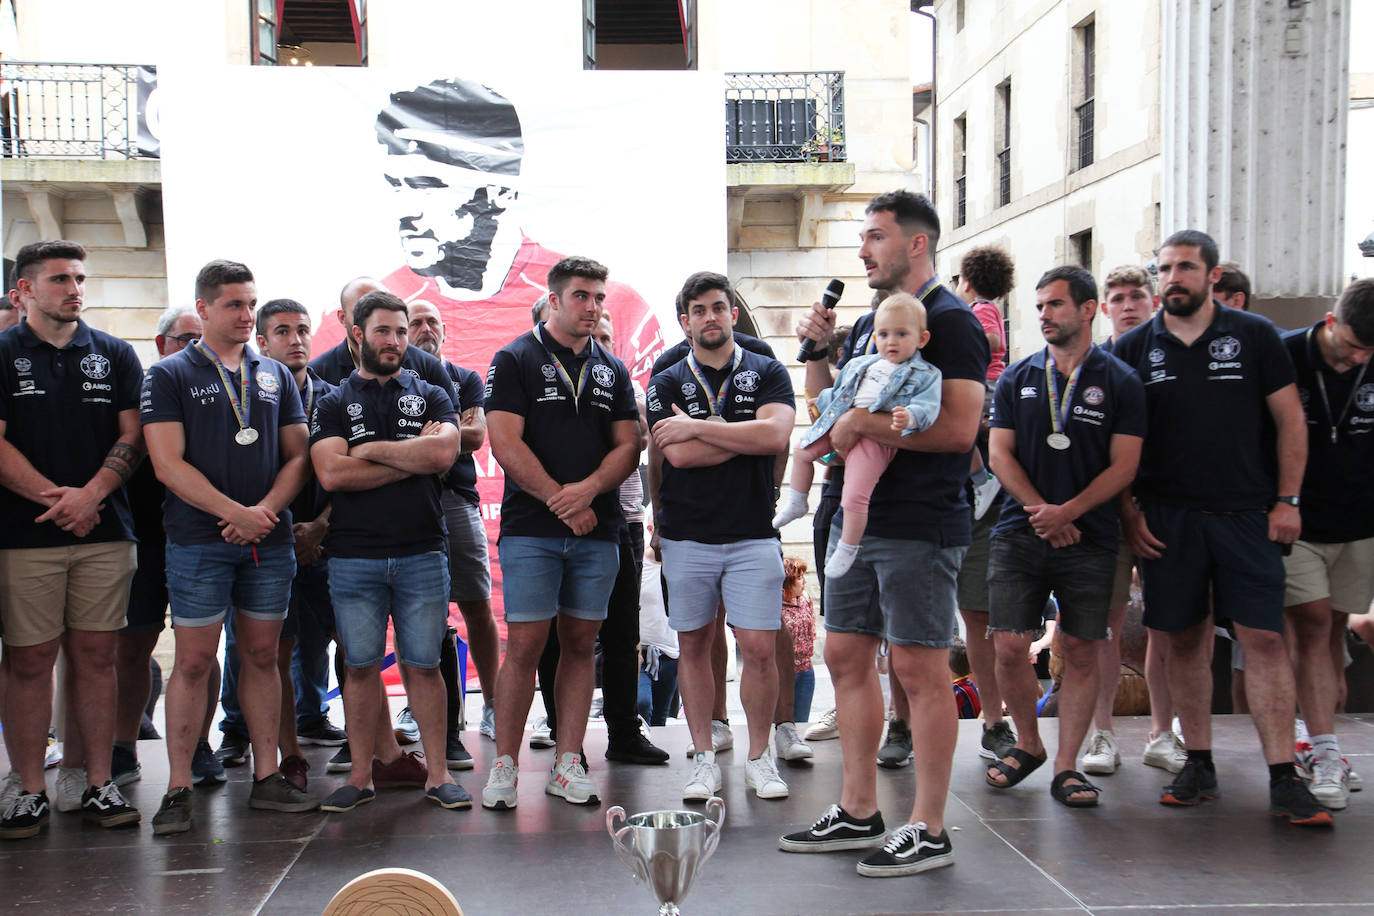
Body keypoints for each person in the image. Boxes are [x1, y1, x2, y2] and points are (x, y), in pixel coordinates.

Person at [781, 190, 989, 877]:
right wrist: (817, 353)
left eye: (874, 236)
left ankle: (928, 825)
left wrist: (861, 428)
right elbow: (834, 403)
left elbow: (958, 430)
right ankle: (859, 808)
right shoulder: (875, 321)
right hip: (854, 514)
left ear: (916, 244)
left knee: (920, 668)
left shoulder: (950, 324)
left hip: (918, 522)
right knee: (844, 656)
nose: (863, 249)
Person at [1113, 229, 1329, 826]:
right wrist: (1130, 512)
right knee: (1183, 640)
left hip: (1247, 516)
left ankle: (1284, 774)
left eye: (1185, 267)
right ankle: (1198, 760)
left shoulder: (1254, 336)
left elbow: (1291, 423)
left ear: (1211, 276)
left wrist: (1288, 500)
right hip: (1168, 521)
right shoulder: (1134, 349)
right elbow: (1117, 443)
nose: (1173, 278)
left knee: (1264, 640)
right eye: (1165, 269)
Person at [142, 259, 318, 836]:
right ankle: (177, 788)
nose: (246, 315)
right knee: (193, 661)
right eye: (234, 305)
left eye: (250, 303)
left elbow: (298, 455)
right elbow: (167, 464)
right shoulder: (169, 374)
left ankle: (268, 777)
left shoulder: (274, 375)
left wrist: (262, 514)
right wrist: (233, 513)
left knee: (263, 656)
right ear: (205, 309)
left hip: (266, 540)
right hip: (199, 539)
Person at [983, 266, 1145, 808]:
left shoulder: (1120, 380)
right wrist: (1041, 510)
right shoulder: (1018, 377)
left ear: (1087, 309)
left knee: (1080, 648)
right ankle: (1027, 743)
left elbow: (1125, 465)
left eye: (1055, 304)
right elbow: (998, 453)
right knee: (1008, 644)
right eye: (1040, 306)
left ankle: (1067, 765)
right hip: (1020, 528)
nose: (1044, 314)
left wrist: (1070, 511)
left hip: (1090, 534)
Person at [481, 256, 639, 809]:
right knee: (525, 645)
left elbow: (628, 444)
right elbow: (504, 441)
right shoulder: (514, 358)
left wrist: (588, 491)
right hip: (532, 529)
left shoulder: (611, 368)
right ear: (553, 300)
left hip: (598, 528)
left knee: (580, 644)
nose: (593, 307)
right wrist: (559, 498)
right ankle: (503, 766)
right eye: (581, 296)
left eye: (599, 297)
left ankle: (568, 762)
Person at [0, 240, 144, 838]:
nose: (75, 288)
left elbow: (133, 438)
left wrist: (91, 496)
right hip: (22, 536)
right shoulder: (2, 353)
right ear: (24, 291)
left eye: (80, 277)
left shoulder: (113, 354)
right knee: (29, 660)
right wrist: (59, 502)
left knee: (97, 658)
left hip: (104, 532)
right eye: (59, 278)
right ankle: (28, 787)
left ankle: (95, 782)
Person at [310, 290, 470, 812]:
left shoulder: (432, 393)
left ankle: (438, 775)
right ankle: (361, 777)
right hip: (353, 556)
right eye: (383, 331)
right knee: (358, 667)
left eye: (401, 332)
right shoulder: (334, 401)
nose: (395, 341)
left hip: (423, 551)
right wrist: (411, 457)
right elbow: (331, 472)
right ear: (357, 335)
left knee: (424, 666)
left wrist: (370, 451)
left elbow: (445, 451)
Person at [647, 270, 795, 802]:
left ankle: (760, 758)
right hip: (688, 535)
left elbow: (777, 435)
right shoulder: (665, 380)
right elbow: (678, 455)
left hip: (754, 533)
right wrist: (744, 435)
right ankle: (705, 756)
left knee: (757, 646)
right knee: (694, 645)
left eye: (719, 307)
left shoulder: (769, 371)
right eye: (699, 310)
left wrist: (699, 426)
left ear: (733, 313)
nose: (711, 317)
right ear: (685, 321)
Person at [114, 304, 227, 790]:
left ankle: (198, 744)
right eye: (186, 339)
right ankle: (122, 746)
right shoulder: (142, 389)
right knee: (132, 646)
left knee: (200, 653)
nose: (196, 349)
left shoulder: (225, 393)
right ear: (161, 344)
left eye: (203, 340)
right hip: (143, 539)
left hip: (203, 537)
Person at [1279, 278, 1374, 809]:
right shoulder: (1289, 354)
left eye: (1369, 352)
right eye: (1353, 345)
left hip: (1359, 524)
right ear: (1332, 321)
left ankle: (1321, 745)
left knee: (1333, 632)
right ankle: (1324, 748)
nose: (1358, 358)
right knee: (1312, 624)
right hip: (1299, 522)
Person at [1087, 265, 1182, 776]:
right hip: (1109, 511)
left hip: (1165, 510)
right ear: (1103, 308)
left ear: (1154, 300)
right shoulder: (1096, 366)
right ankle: (1102, 733)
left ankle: (1163, 732)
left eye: (1136, 296)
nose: (1127, 304)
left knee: (1167, 625)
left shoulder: (1169, 359)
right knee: (1104, 626)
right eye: (1117, 297)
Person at [772, 293, 942, 578]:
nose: (892, 341)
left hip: (877, 439)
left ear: (921, 339)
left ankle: (848, 546)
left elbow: (929, 406)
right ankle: (797, 502)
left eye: (902, 334)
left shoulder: (924, 373)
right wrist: (822, 401)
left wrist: (911, 417)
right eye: (885, 334)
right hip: (842, 424)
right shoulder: (862, 364)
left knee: (854, 495)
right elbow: (842, 392)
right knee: (802, 449)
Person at [246, 299, 345, 789]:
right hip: (271, 538)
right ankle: (288, 755)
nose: (296, 340)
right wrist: (285, 528)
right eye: (282, 331)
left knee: (354, 646)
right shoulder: (245, 398)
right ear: (261, 342)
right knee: (272, 654)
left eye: (303, 330)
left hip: (331, 540)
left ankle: (364, 747)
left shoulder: (338, 397)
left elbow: (351, 474)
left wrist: (321, 526)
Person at [407, 297, 500, 768]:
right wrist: (447, 435)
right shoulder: (391, 382)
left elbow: (476, 436)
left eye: (432, 321)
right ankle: (424, 708)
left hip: (456, 501)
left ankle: (495, 706)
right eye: (416, 321)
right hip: (404, 503)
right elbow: (454, 435)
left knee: (476, 604)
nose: (425, 329)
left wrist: (425, 438)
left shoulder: (466, 379)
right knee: (422, 613)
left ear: (444, 330)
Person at [594, 313, 669, 765]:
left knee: (624, 631)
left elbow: (641, 440)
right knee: (568, 635)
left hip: (626, 521)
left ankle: (624, 731)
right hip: (574, 517)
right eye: (595, 334)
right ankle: (561, 731)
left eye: (608, 334)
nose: (601, 341)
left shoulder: (629, 386)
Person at [781, 557, 817, 725]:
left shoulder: (805, 599)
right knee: (780, 721)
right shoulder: (774, 605)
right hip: (781, 672)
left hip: (805, 671)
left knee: (801, 722)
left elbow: (812, 628)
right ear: (787, 582)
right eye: (799, 578)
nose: (804, 582)